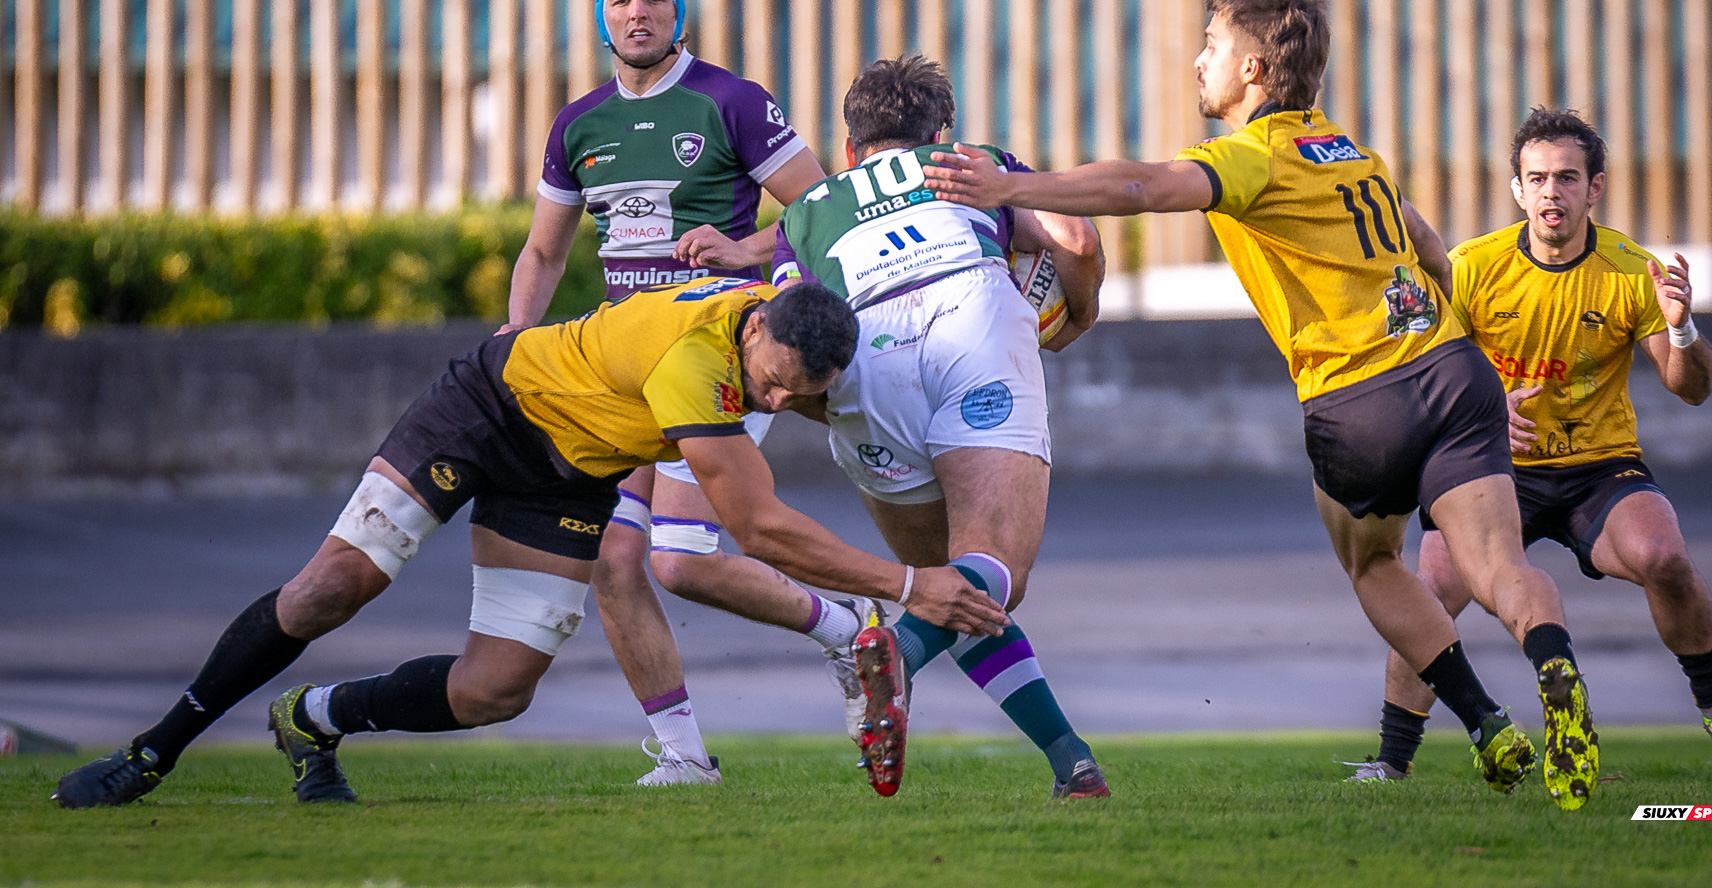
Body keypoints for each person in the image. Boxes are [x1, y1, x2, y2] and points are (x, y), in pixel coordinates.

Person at [923, 0, 1602, 810]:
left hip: (1358, 397)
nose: (1199, 61)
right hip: (1455, 369)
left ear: (1252, 66)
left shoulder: (1252, 155)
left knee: (1375, 562)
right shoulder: (1351, 152)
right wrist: (1481, 365)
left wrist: (1010, 190)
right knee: (1500, 566)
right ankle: (1553, 665)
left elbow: (1140, 187)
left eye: (1210, 45)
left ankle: (1488, 723)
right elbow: (1430, 246)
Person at [52, 281, 1007, 809]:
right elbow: (756, 527)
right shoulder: (696, 361)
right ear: (756, 329)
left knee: (493, 692)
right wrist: (912, 583)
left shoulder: (780, 327)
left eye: (792, 395)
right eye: (770, 382)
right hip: (488, 408)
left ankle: (314, 720)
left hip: (566, 476)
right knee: (332, 588)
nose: (774, 403)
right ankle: (151, 753)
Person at [505, 0, 853, 785]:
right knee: (617, 561)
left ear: (678, 13)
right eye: (620, 0)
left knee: (681, 559)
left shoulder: (731, 101)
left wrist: (741, 248)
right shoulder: (577, 125)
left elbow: (827, 211)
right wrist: (513, 346)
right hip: (629, 366)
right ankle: (686, 757)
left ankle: (852, 630)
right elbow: (543, 254)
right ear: (602, 18)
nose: (638, 13)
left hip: (722, 352)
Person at [1345, 107, 1712, 783]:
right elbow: (1423, 372)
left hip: (1598, 469)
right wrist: (1484, 407)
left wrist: (1683, 329)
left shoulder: (1632, 271)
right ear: (1518, 190)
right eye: (1537, 178)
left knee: (1665, 558)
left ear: (1594, 188)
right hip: (1490, 469)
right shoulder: (1473, 268)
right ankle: (1392, 763)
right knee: (1430, 592)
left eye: (1567, 178)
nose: (1551, 192)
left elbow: (1691, 388)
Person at [770, 53, 1110, 800]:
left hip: (864, 369)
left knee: (947, 587)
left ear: (852, 146)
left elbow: (788, 346)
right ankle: (896, 648)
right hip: (972, 321)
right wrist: (1075, 313)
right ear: (939, 131)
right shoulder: (973, 166)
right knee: (992, 576)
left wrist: (835, 407)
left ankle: (1073, 763)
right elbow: (1075, 241)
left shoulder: (804, 214)